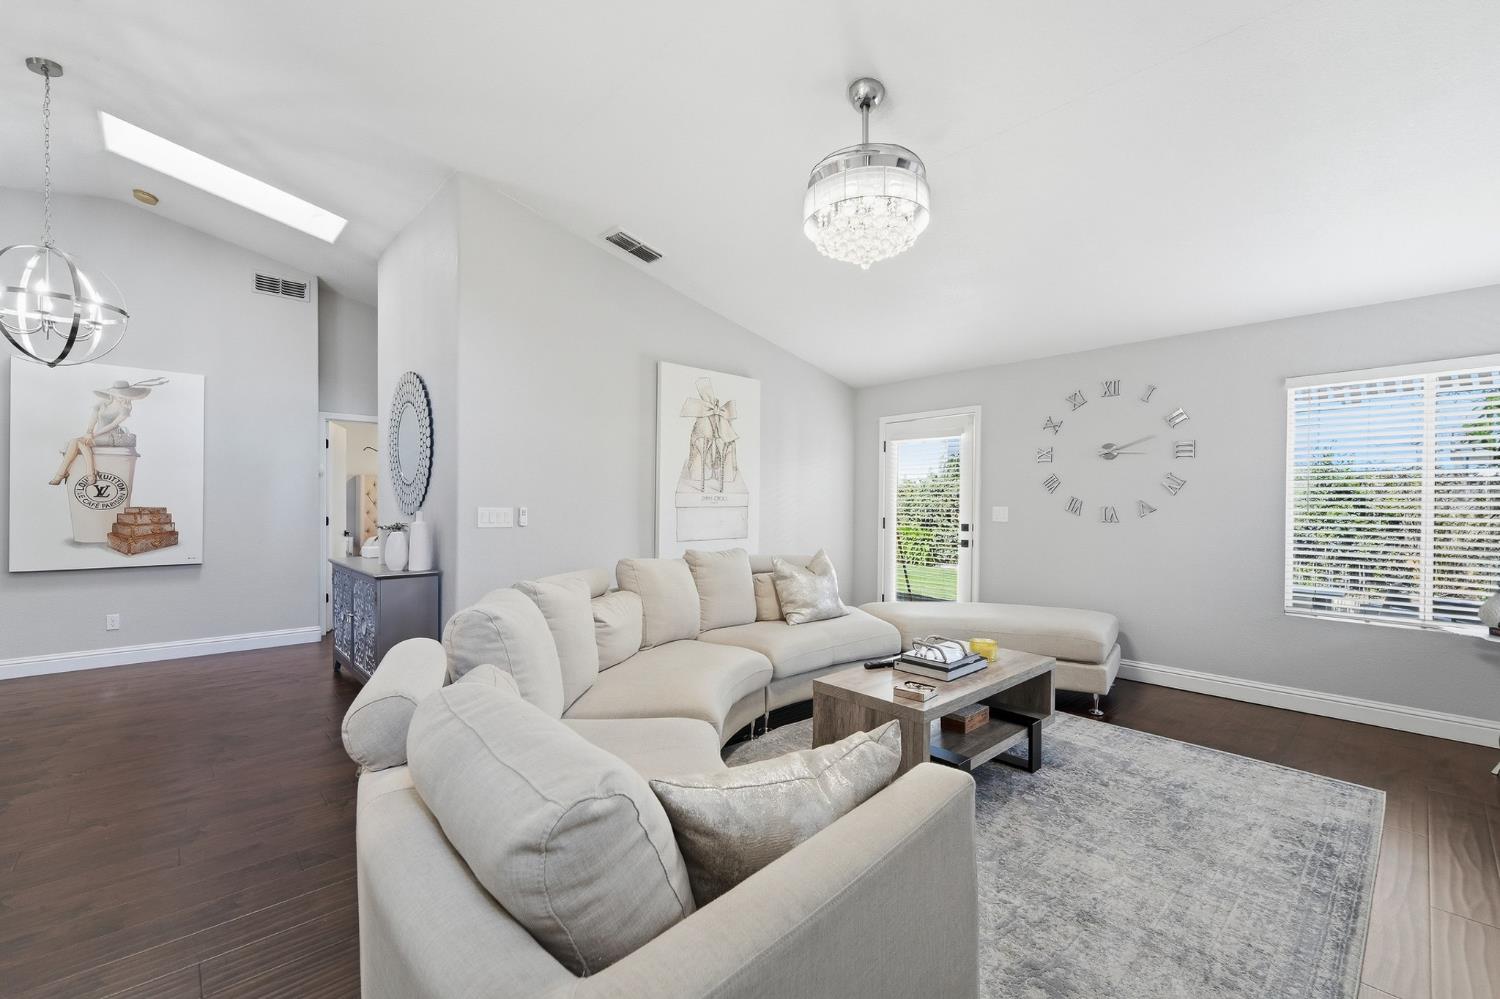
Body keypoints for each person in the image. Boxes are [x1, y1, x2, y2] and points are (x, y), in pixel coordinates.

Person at [48, 377, 167, 486]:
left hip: (111, 436)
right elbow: (93, 418)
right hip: (95, 434)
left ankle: (64, 474)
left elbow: (112, 425)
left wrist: (93, 435)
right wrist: (89, 432)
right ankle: (88, 474)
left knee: (79, 442)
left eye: (124, 394)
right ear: (113, 394)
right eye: (119, 394)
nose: (121, 397)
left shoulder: (125, 408)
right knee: (76, 441)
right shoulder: (103, 403)